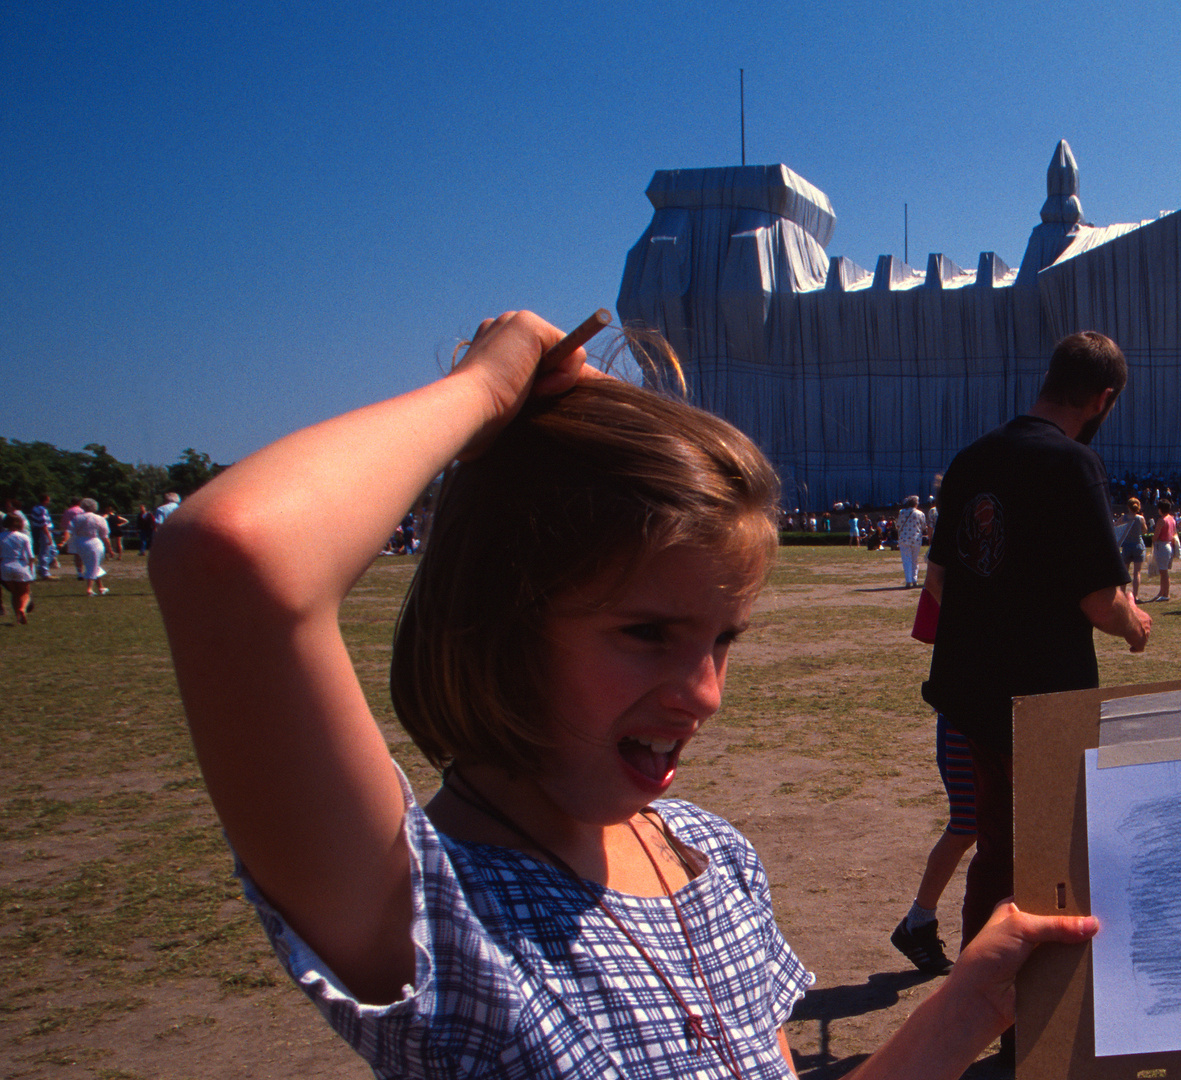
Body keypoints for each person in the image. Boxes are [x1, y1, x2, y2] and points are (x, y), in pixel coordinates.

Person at [147, 311, 1095, 1079]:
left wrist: (969, 1004)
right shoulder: (432, 911)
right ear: (499, 615)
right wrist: (486, 388)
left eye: (723, 640)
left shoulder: (711, 860)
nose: (703, 694)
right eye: (647, 633)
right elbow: (232, 561)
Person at [923, 330, 1150, 953]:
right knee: (1053, 851)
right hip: (1043, 703)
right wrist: (1136, 628)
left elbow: (939, 580)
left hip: (973, 695)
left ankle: (985, 1002)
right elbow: (1101, 603)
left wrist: (995, 619)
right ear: (1103, 399)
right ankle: (1033, 1023)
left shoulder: (972, 459)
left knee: (997, 850)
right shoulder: (1073, 462)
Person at [890, 715, 977, 976]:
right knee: (967, 825)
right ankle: (918, 924)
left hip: (1002, 716)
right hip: (967, 720)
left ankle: (918, 925)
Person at [67, 499, 110, 596]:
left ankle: (101, 587)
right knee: (93, 565)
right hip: (93, 542)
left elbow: (70, 530)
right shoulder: (99, 518)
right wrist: (110, 549)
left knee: (92, 564)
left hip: (80, 542)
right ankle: (89, 589)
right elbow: (105, 535)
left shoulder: (76, 518)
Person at [2, 511, 33, 624]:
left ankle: (17, 617)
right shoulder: (24, 537)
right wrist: (31, 569)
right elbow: (30, 556)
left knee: (14, 593)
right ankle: (22, 609)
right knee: (25, 592)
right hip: (20, 565)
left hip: (5, 566)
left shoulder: (1, 537)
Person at [1114, 496, 1147, 598]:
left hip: (1127, 546)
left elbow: (1115, 526)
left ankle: (1123, 594)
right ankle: (1135, 596)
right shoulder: (1140, 518)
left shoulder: (1123, 518)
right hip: (1138, 544)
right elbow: (1145, 531)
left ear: (1128, 507)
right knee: (1137, 572)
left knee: (1125, 572)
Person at [1145, 498, 1177, 602]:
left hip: (1162, 545)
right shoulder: (1172, 519)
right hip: (1168, 545)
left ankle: (1166, 594)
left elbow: (1155, 536)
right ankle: (1162, 592)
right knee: (1163, 571)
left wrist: (1152, 539)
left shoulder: (1161, 520)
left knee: (1163, 572)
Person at [895, 494, 929, 588]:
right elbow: (923, 527)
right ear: (916, 504)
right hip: (916, 539)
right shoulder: (920, 513)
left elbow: (898, 525)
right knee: (915, 560)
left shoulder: (902, 512)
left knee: (907, 560)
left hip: (904, 539)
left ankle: (908, 581)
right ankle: (915, 579)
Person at [28, 495, 58, 580]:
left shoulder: (39, 508)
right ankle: (44, 572)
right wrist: (48, 536)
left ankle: (41, 568)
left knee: (53, 550)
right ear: (45, 500)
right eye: (48, 500)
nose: (49, 502)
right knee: (45, 552)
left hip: (46, 531)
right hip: (44, 531)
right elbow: (43, 523)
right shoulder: (41, 509)